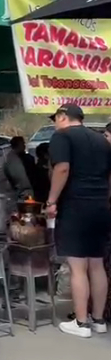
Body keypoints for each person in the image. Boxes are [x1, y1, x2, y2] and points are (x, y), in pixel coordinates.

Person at [46, 104, 111, 338]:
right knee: (97, 264)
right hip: (101, 206)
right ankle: (99, 319)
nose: (55, 122)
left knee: (77, 267)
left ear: (63, 117)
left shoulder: (61, 136)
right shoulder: (102, 140)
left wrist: (52, 201)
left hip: (75, 206)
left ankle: (81, 323)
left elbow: (62, 168)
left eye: (56, 118)